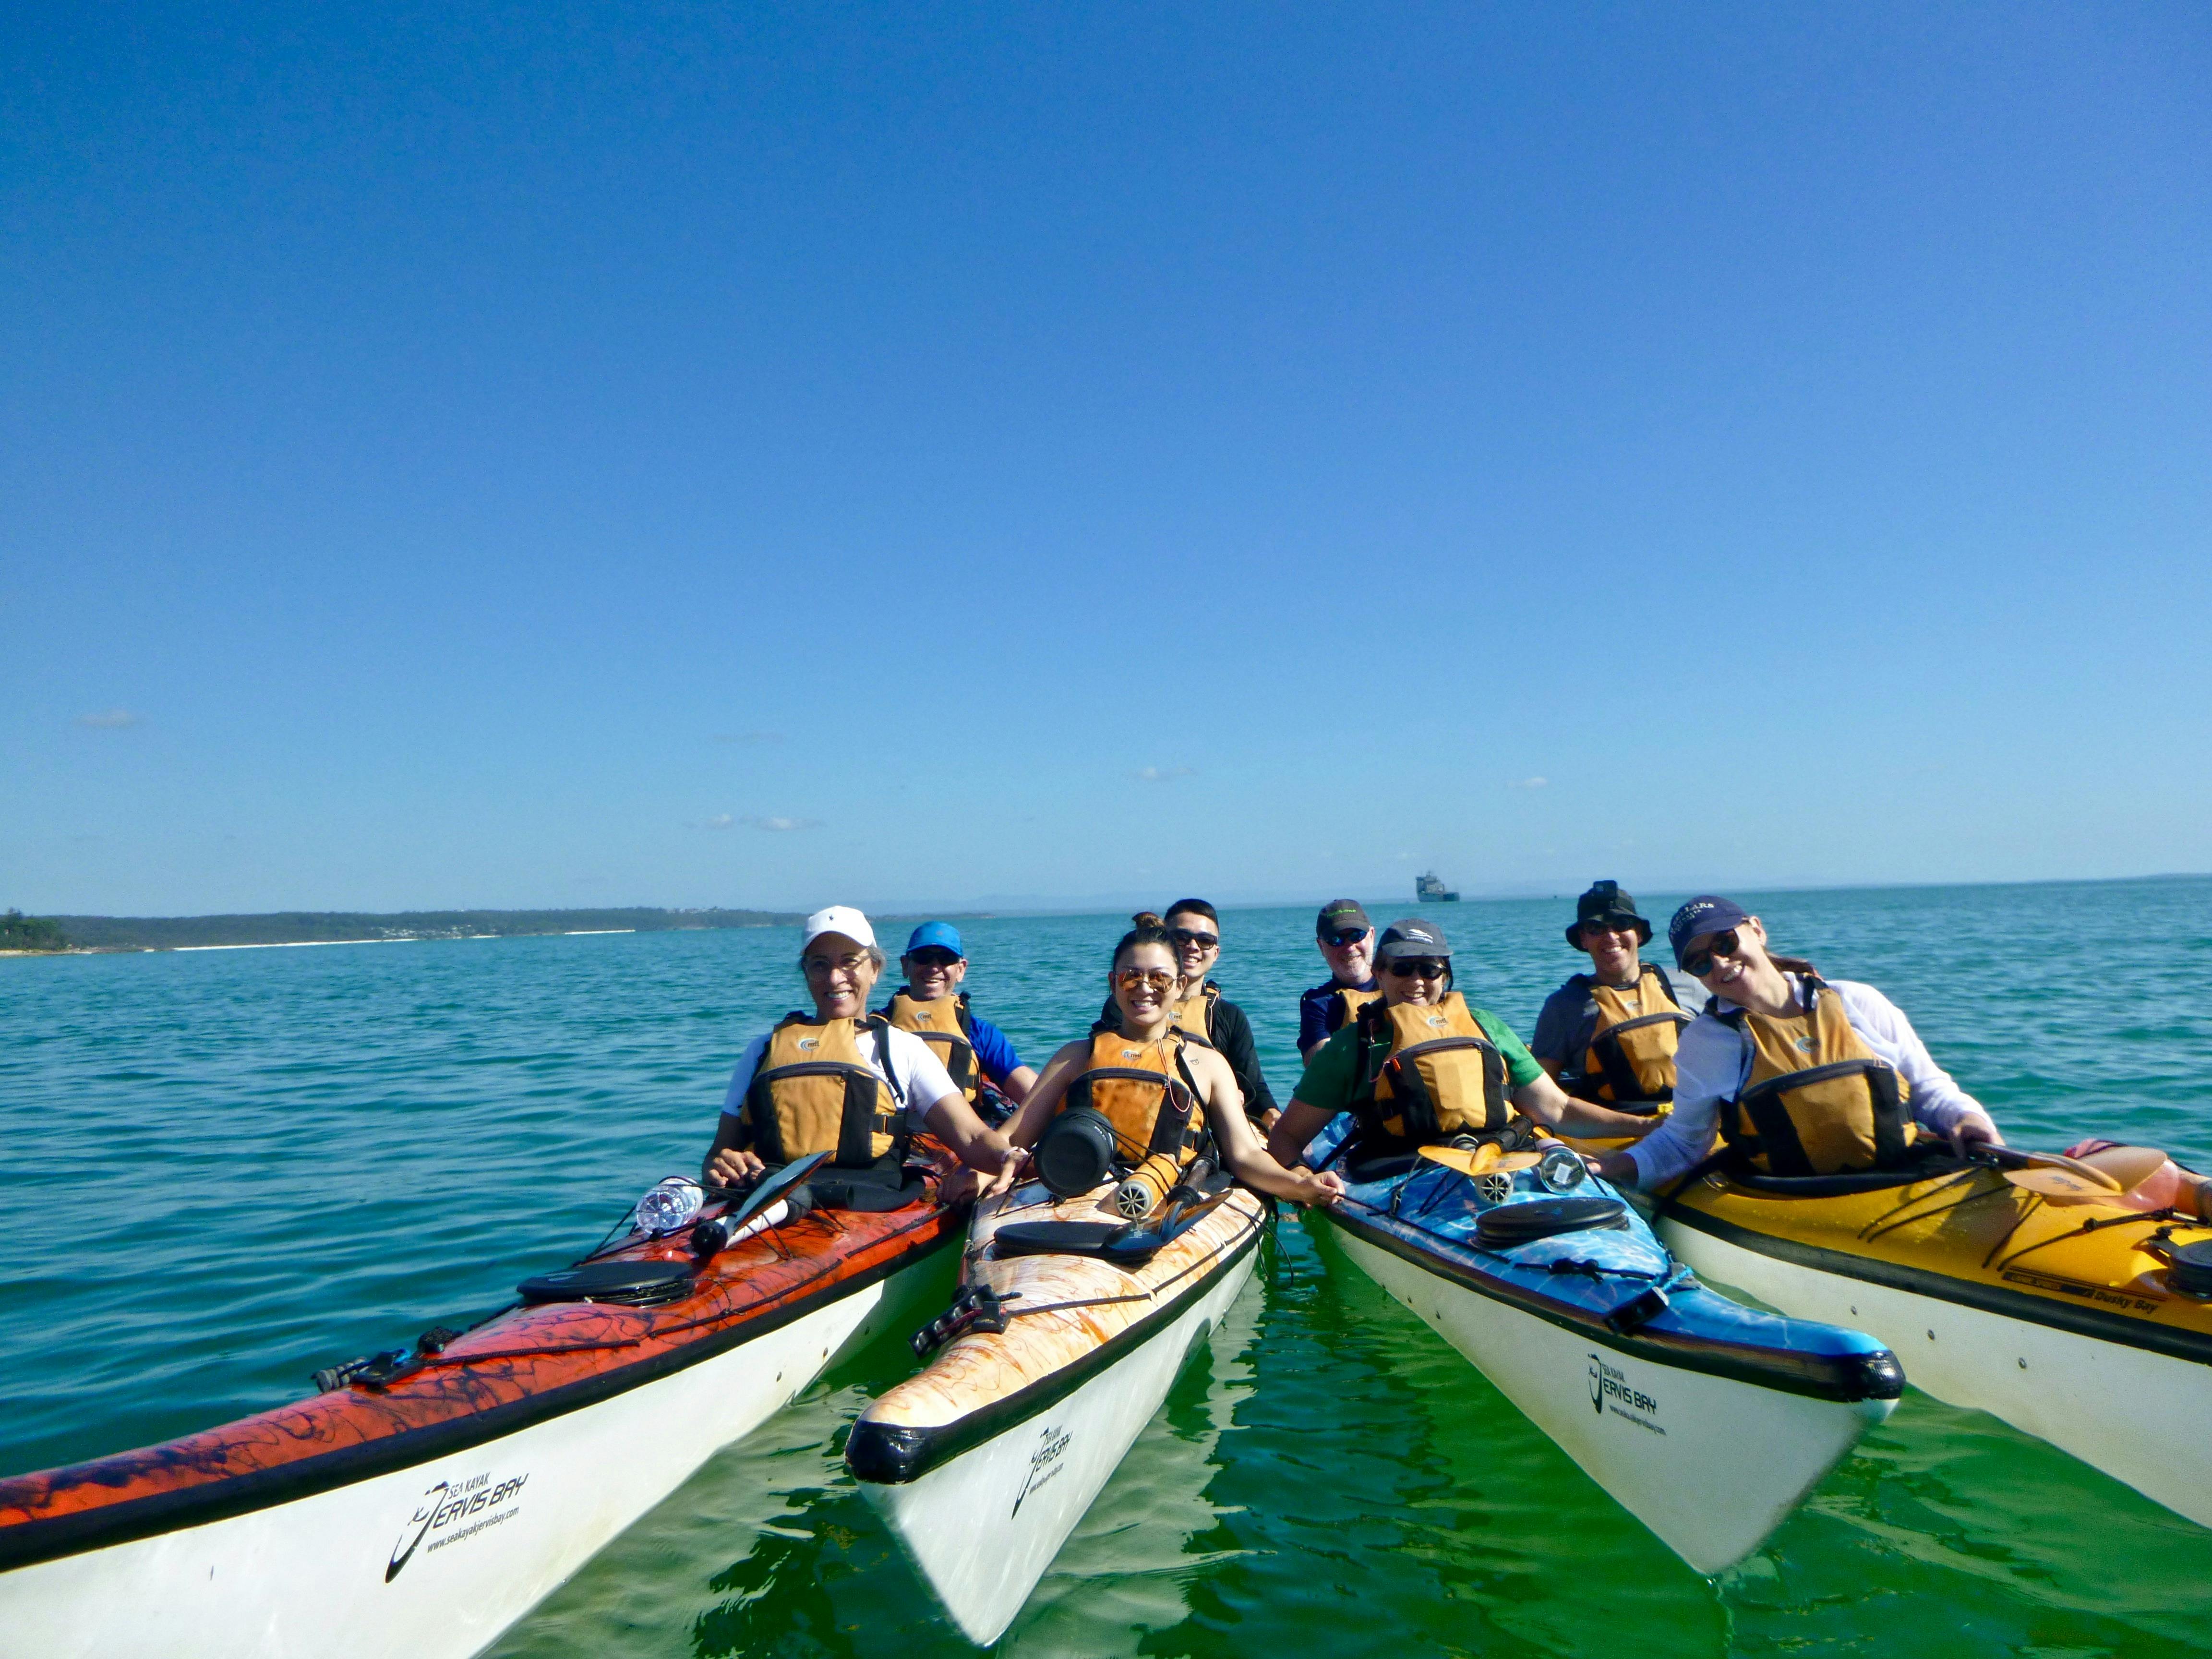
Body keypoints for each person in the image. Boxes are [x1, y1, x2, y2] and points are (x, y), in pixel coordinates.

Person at [1588, 897, 2003, 1190]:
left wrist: (1966, 1118)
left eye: (1724, 943)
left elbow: (1930, 1091)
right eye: (1699, 962)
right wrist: (1610, 1169)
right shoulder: (1706, 1042)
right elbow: (1682, 1142)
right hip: (1794, 1201)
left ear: (1756, 929)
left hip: (1902, 1184)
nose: (1718, 962)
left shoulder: (1857, 1001)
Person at [1003, 913, 1343, 1209]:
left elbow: (1244, 1155)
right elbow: (1011, 1138)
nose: (1145, 987)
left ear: (1180, 985)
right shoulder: (1074, 1058)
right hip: (1075, 1188)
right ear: (1113, 982)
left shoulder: (1207, 1064)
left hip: (1169, 1190)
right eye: (1131, 976)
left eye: (1160, 977)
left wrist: (1299, 1185)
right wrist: (982, 1166)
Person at [1267, 917, 1660, 1170]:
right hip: (1406, 1174)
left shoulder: (1485, 1026)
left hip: (1501, 1161)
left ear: (1445, 974)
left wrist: (1650, 1127)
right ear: (1379, 973)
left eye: (1430, 968)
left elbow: (1558, 1109)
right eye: (1403, 968)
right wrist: (1304, 1180)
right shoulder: (1352, 1046)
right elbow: (1286, 1138)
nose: (1417, 980)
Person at [703, 906, 1019, 1207]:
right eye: (820, 964)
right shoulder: (762, 1050)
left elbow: (971, 1135)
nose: (835, 978)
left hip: (865, 1206)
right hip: (769, 1203)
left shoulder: (901, 1049)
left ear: (875, 970)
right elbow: (717, 1156)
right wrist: (721, 1167)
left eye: (850, 962)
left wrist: (1006, 1157)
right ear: (806, 973)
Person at [1097, 899, 1279, 1129]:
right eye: (1181, 938)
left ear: (1216, 952)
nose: (1193, 947)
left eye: (1205, 941)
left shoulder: (1228, 1016)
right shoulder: (1128, 1005)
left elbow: (1255, 1086)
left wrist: (1272, 1115)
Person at [1532, 881, 1708, 1108]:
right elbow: (1542, 1096)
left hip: (1694, 1117)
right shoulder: (1564, 1006)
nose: (1611, 936)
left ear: (1639, 934)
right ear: (1583, 939)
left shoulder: (1688, 985)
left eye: (1622, 924)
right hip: (1614, 1126)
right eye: (1596, 928)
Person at [878, 922, 1038, 1125]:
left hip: (961, 1142)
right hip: (895, 1143)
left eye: (946, 959)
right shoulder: (876, 1028)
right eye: (923, 957)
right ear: (905, 965)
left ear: (961, 969)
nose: (934, 967)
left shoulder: (980, 1034)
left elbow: (1035, 1097)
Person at [1298, 899, 1382, 1060]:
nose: (1349, 947)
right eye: (1335, 939)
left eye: (1357, 936)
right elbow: (1320, 1069)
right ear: (1321, 946)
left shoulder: (1402, 985)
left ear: (1371, 936)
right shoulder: (1319, 1006)